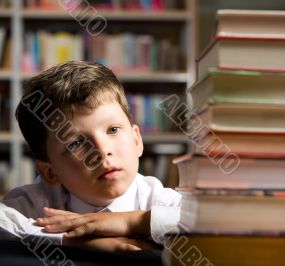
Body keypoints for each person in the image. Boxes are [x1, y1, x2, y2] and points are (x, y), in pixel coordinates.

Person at [1, 61, 181, 251]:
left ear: (136, 140)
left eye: (113, 129)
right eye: (76, 143)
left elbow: (209, 220)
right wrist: (77, 241)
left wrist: (132, 222)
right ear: (50, 172)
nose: (102, 151)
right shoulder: (39, 204)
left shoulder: (156, 198)